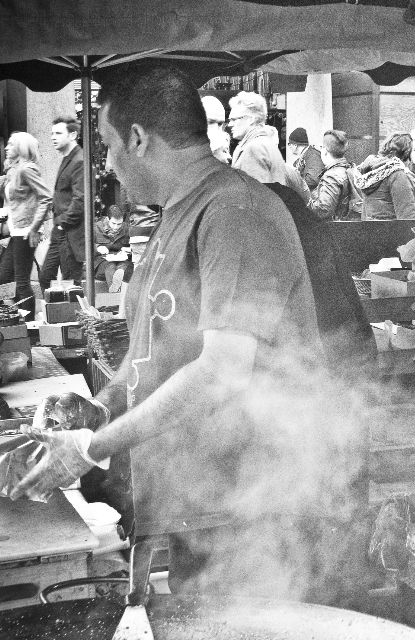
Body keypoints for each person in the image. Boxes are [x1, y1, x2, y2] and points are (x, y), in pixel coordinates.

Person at [11, 65, 372, 608]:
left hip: (260, 505)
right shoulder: (176, 215)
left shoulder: (234, 210)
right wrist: (97, 409)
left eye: (107, 144)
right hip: (202, 500)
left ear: (139, 138)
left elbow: (222, 372)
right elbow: (150, 354)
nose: (106, 164)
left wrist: (91, 448)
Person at [0, 132, 52, 320]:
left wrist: (34, 227)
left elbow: (46, 197)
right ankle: (17, 317)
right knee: (4, 278)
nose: (7, 147)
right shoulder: (15, 170)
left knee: (22, 282)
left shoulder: (27, 170)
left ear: (21, 148)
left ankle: (29, 326)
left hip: (25, 232)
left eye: (11, 145)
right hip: (17, 232)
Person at [39, 115, 85, 292]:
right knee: (45, 278)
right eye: (52, 133)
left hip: (70, 233)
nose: (53, 137)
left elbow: (80, 200)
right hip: (61, 232)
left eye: (58, 133)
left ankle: (71, 317)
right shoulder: (69, 158)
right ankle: (55, 315)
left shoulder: (79, 160)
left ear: (72, 135)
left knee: (71, 285)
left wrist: (61, 223)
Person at [355, 132, 415, 222]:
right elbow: (407, 219)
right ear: (407, 154)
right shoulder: (398, 175)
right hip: (393, 233)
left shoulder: (371, 173)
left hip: (371, 232)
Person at [228, 91, 288, 184]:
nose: (230, 124)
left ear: (250, 119)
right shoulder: (264, 143)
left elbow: (256, 196)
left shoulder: (255, 148)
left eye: (234, 119)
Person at [309, 129, 357, 221]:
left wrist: (305, 203)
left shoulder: (331, 176)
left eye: (321, 147)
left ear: (325, 150)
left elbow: (324, 210)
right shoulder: (347, 168)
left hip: (334, 230)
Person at [92, 205, 131, 293]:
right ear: (107, 219)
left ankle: (115, 291)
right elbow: (86, 246)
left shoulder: (127, 228)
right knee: (111, 267)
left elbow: (133, 246)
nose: (116, 227)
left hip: (121, 260)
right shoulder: (96, 228)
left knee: (123, 267)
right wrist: (97, 247)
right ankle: (117, 293)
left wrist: (128, 249)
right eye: (113, 223)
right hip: (102, 262)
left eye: (119, 224)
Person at [288, 127, 324, 192]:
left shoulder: (313, 156)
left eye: (289, 144)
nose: (289, 146)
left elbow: (313, 179)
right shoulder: (303, 157)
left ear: (295, 145)